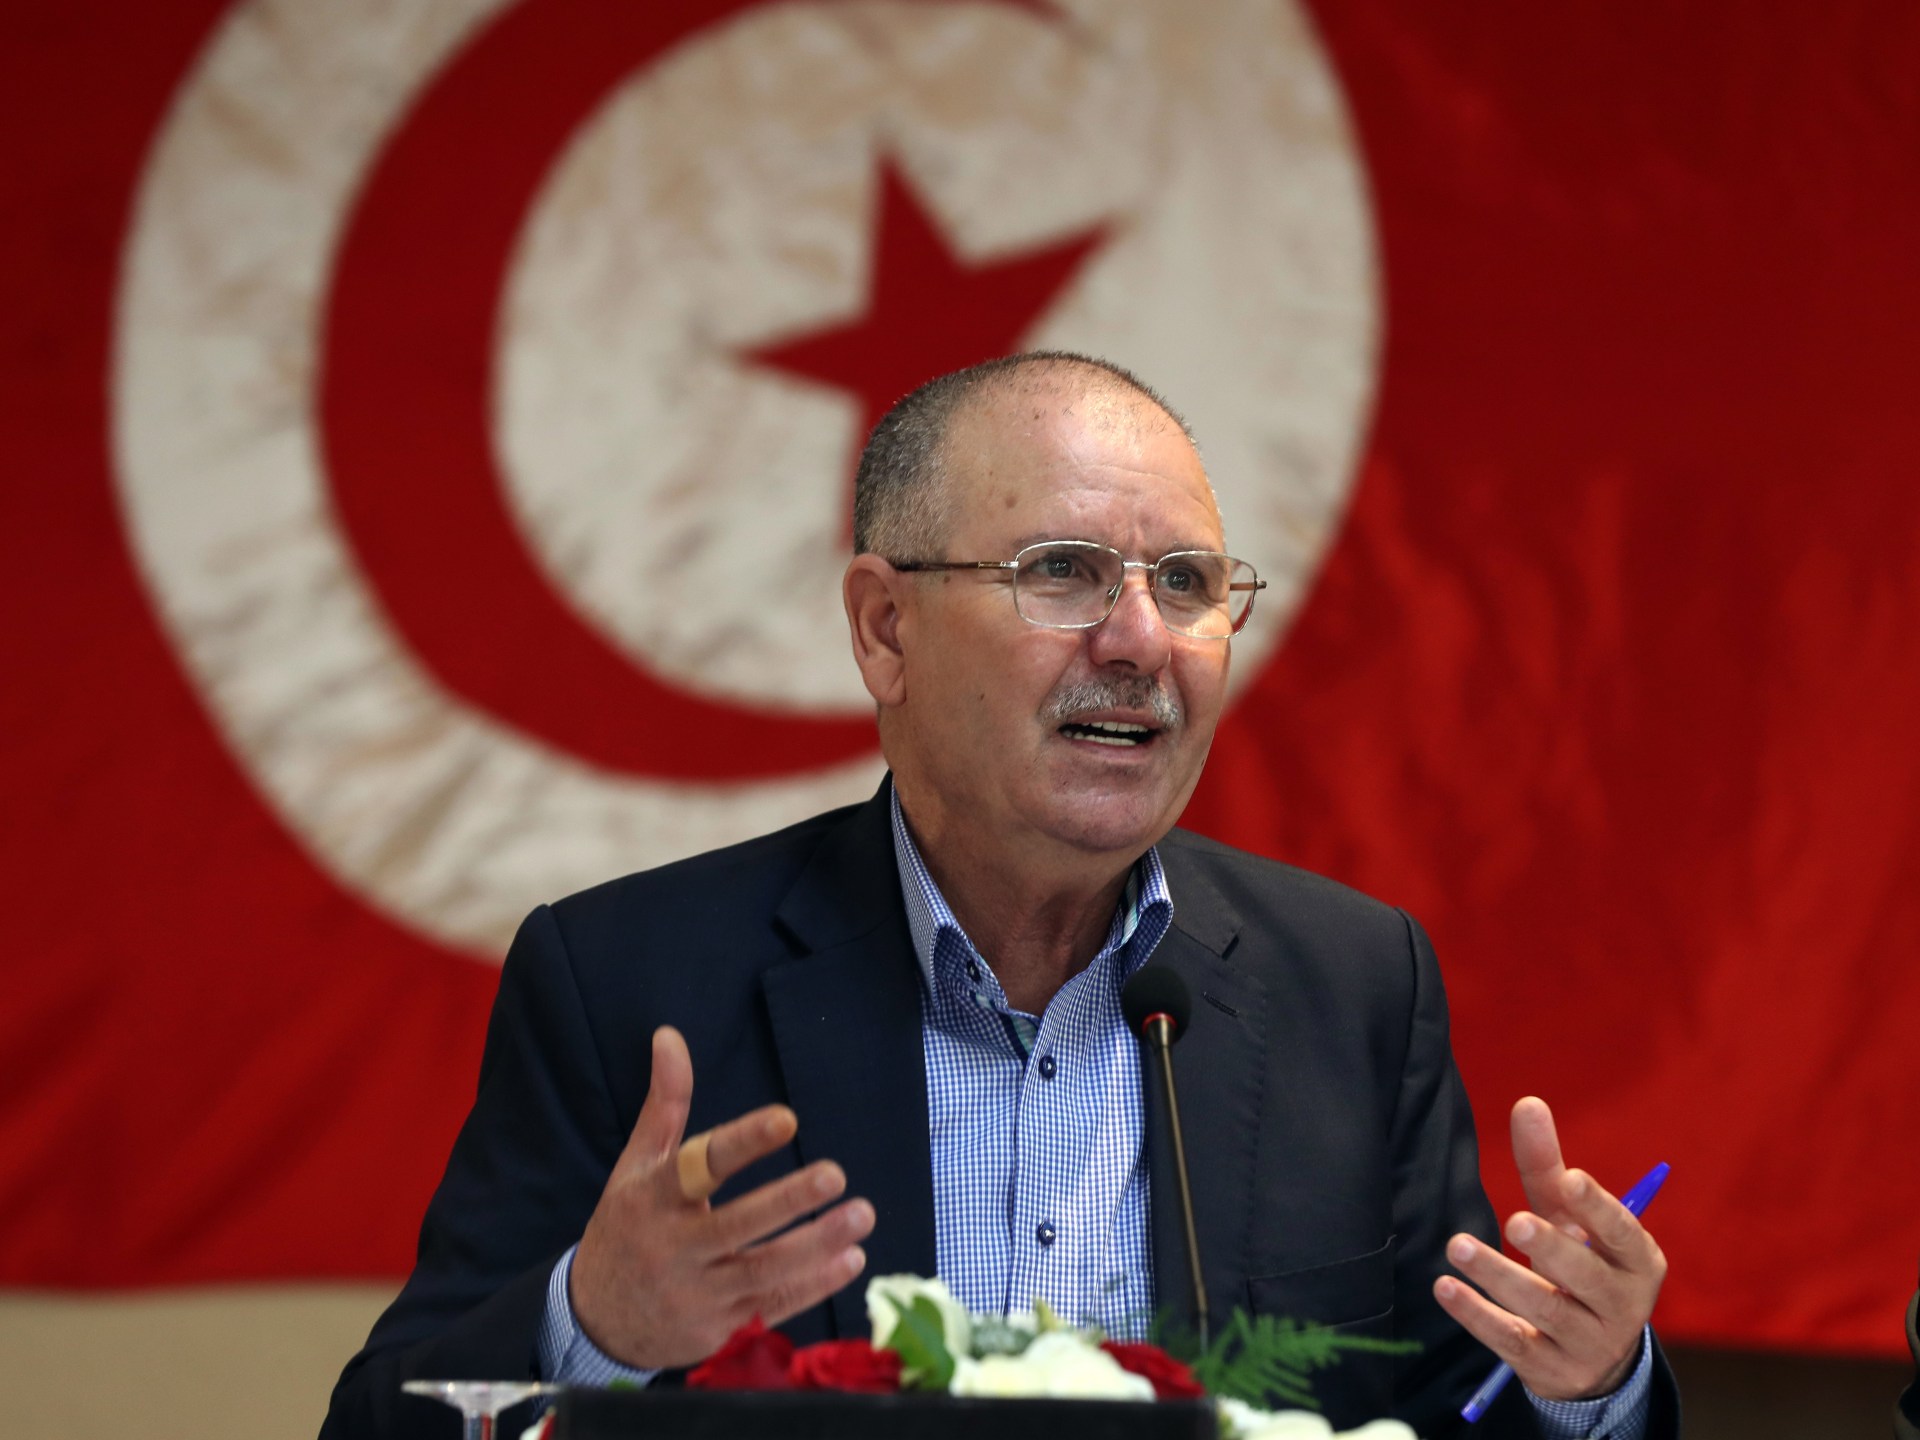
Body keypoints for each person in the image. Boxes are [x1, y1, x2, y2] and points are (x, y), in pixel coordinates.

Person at [322, 353, 1676, 1439]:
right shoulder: (631, 981)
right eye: (1062, 573)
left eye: (1187, 584)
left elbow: (1446, 1409)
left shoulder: (1350, 984)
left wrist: (1586, 1385)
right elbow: (390, 1423)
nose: (1139, 641)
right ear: (885, 629)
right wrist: (593, 1326)